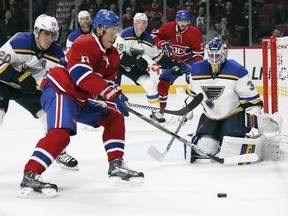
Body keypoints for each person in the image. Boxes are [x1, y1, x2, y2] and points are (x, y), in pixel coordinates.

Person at [18, 9, 144, 198]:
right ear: (99, 29)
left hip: (79, 98)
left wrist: (116, 98)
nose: (115, 35)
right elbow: (81, 76)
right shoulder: (84, 43)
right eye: (111, 30)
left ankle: (116, 165)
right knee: (61, 134)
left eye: (117, 30)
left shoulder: (113, 56)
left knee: (114, 118)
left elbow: (106, 84)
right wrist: (107, 91)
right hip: (59, 89)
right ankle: (31, 174)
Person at [181, 37, 282, 163]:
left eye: (217, 55)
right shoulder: (196, 70)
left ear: (224, 54)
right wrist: (186, 108)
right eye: (211, 55)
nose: (214, 59)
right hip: (210, 116)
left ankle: (252, 140)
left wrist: (254, 115)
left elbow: (253, 100)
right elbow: (193, 94)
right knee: (205, 150)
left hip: (233, 115)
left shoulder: (237, 70)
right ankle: (201, 140)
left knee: (231, 146)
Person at [0, 14, 78, 170]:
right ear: (36, 31)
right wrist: (18, 77)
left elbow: (65, 77)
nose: (50, 38)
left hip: (28, 89)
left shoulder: (56, 53)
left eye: (53, 35)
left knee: (51, 117)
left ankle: (59, 152)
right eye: (46, 34)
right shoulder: (19, 41)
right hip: (3, 83)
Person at [114, 12, 184, 123]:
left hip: (132, 66)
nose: (141, 25)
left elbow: (158, 57)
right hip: (116, 65)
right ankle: (105, 112)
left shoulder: (148, 40)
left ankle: (155, 111)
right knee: (112, 89)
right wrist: (136, 60)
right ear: (134, 23)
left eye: (144, 23)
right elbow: (118, 55)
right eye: (138, 23)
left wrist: (173, 65)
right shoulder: (125, 34)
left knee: (150, 84)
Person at [151, 10, 204, 116]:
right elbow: (154, 36)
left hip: (189, 61)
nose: (183, 23)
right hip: (172, 62)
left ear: (189, 21)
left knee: (193, 82)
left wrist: (196, 68)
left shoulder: (195, 32)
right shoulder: (168, 27)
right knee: (162, 83)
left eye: (185, 21)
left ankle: (187, 104)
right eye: (180, 21)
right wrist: (162, 42)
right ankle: (161, 110)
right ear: (176, 21)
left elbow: (199, 53)